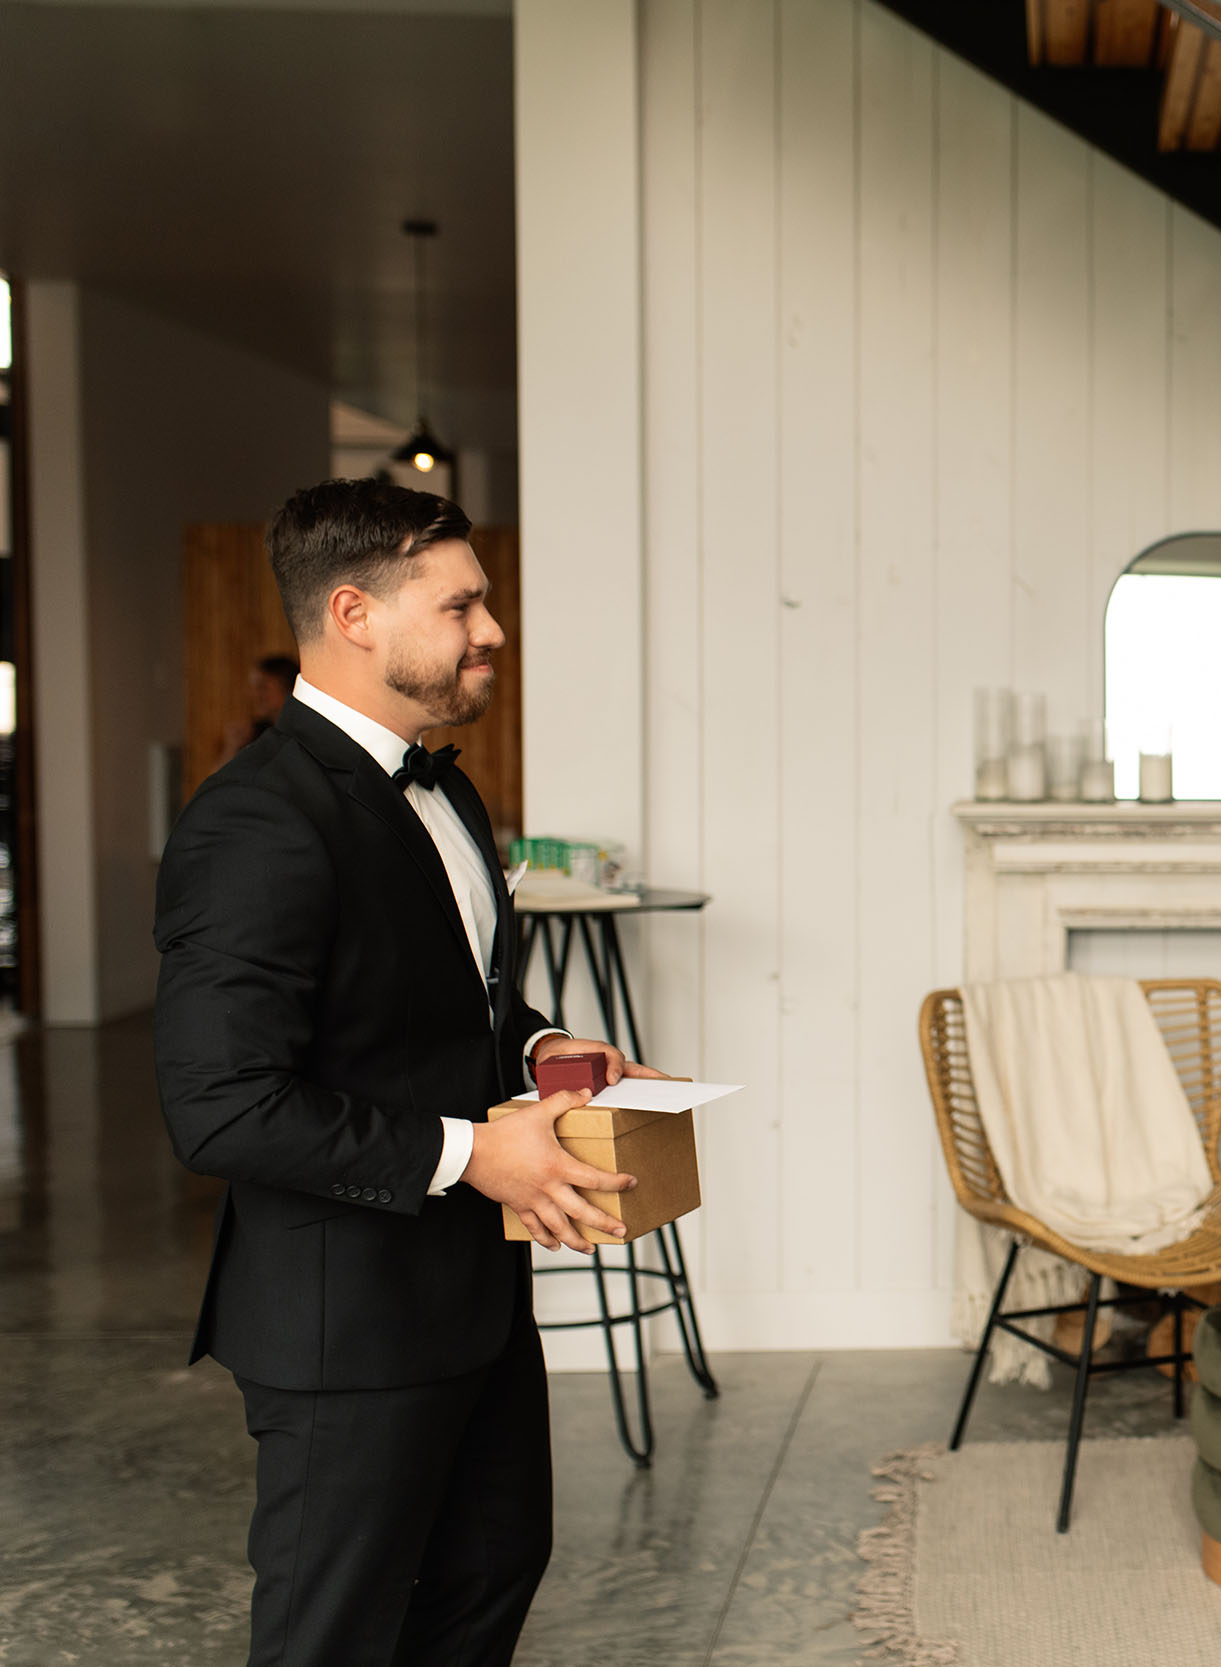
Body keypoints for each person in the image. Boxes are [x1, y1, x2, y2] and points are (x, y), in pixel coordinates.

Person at [154, 478, 666, 1666]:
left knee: (491, 1574)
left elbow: (440, 995)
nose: (492, 629)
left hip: (469, 1300)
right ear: (355, 613)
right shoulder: (255, 822)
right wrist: (480, 1149)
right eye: (463, 605)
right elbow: (220, 1103)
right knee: (330, 1637)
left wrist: (543, 1047)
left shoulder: (448, 782)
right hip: (344, 1320)